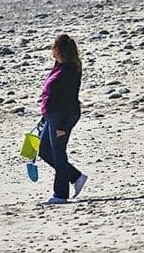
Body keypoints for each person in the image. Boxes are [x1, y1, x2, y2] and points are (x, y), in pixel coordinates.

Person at [38, 34, 87, 205]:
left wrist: (63, 126)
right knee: (44, 149)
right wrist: (44, 117)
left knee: (58, 153)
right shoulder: (59, 66)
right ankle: (75, 176)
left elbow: (68, 99)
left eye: (53, 46)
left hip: (63, 116)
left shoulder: (69, 70)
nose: (51, 49)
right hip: (52, 115)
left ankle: (60, 195)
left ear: (60, 49)